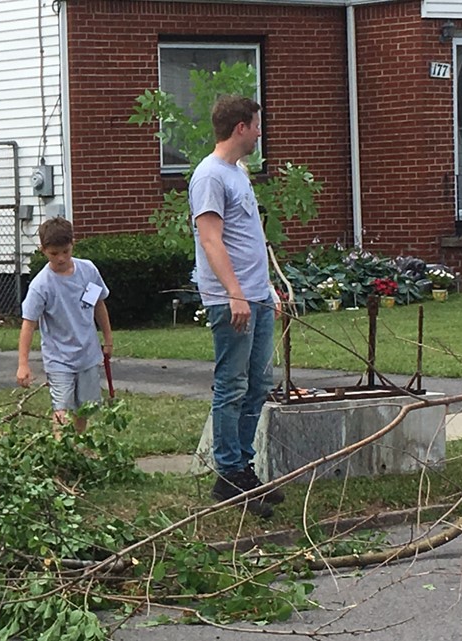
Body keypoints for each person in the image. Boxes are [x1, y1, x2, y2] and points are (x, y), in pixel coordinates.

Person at [190, 95, 284, 517]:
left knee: (259, 385)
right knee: (232, 386)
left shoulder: (237, 173)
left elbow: (250, 239)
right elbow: (211, 239)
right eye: (257, 125)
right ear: (240, 128)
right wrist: (235, 293)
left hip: (257, 296)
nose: (261, 132)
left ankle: (244, 467)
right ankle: (228, 474)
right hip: (233, 301)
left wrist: (267, 289)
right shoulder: (209, 176)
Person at [16, 217, 113, 435]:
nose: (61, 258)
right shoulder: (41, 285)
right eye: (54, 254)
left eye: (65, 252)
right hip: (59, 359)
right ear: (43, 251)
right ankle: (61, 454)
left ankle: (77, 448)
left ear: (73, 245)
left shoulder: (88, 270)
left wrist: (107, 339)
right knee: (62, 409)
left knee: (84, 409)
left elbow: (98, 304)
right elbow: (28, 324)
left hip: (87, 354)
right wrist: (23, 364)